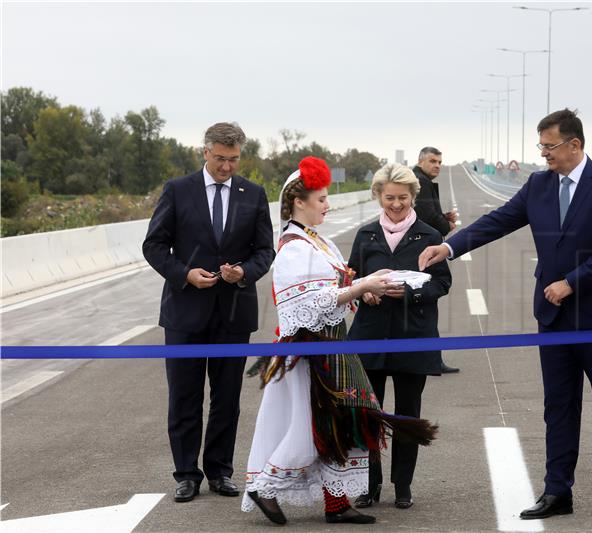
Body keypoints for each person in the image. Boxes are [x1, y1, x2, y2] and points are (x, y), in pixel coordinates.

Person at [419, 109, 592, 522]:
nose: (543, 154)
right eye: (540, 145)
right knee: (558, 405)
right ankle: (558, 491)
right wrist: (448, 248)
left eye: (549, 146)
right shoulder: (538, 185)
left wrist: (571, 281)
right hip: (553, 316)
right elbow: (498, 221)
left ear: (575, 145)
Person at [242, 157, 437, 526]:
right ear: (299, 202)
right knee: (311, 428)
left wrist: (364, 281)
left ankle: (336, 503)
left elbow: (332, 288)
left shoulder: (315, 239)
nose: (328, 205)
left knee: (340, 424)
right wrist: (361, 287)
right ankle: (265, 487)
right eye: (322, 199)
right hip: (310, 353)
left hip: (331, 346)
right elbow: (304, 305)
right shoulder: (295, 247)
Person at [142, 122, 275, 503]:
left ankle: (219, 472)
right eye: (220, 159)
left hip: (233, 313)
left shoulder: (254, 193)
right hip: (184, 314)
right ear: (205, 152)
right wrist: (184, 274)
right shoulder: (178, 190)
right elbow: (154, 245)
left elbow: (265, 251)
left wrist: (243, 272)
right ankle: (186, 473)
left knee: (227, 399)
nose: (226, 167)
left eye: (233, 160)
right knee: (184, 398)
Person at [347, 163, 452, 510]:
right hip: (370, 336)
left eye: (403, 198)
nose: (396, 204)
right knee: (368, 414)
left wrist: (410, 292)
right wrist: (364, 291)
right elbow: (350, 280)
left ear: (413, 198)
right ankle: (369, 484)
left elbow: (442, 283)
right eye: (389, 198)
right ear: (378, 196)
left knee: (408, 413)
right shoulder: (365, 236)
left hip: (413, 335)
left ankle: (403, 485)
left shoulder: (429, 236)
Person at [413, 146, 460, 374]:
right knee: (427, 307)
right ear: (421, 161)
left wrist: (442, 218)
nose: (437, 166)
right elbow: (427, 216)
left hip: (424, 249)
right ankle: (431, 360)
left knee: (424, 308)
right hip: (424, 252)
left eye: (440, 162)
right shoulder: (419, 182)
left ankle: (429, 358)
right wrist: (446, 225)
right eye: (433, 161)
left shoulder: (421, 179)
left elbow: (430, 214)